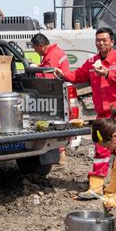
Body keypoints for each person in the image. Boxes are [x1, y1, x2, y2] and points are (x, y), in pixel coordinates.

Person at [55, 27, 116, 199]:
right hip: (103, 115)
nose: (101, 43)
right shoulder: (92, 62)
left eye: (104, 40)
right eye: (98, 40)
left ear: (112, 42)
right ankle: (96, 187)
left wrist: (107, 73)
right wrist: (63, 74)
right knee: (100, 147)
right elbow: (77, 76)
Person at [31, 33, 70, 169]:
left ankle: (60, 159)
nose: (35, 51)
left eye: (35, 48)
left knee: (54, 124)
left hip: (55, 93)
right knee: (56, 123)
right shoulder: (54, 52)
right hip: (57, 92)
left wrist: (35, 70)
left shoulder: (52, 55)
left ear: (40, 46)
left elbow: (49, 75)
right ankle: (60, 157)